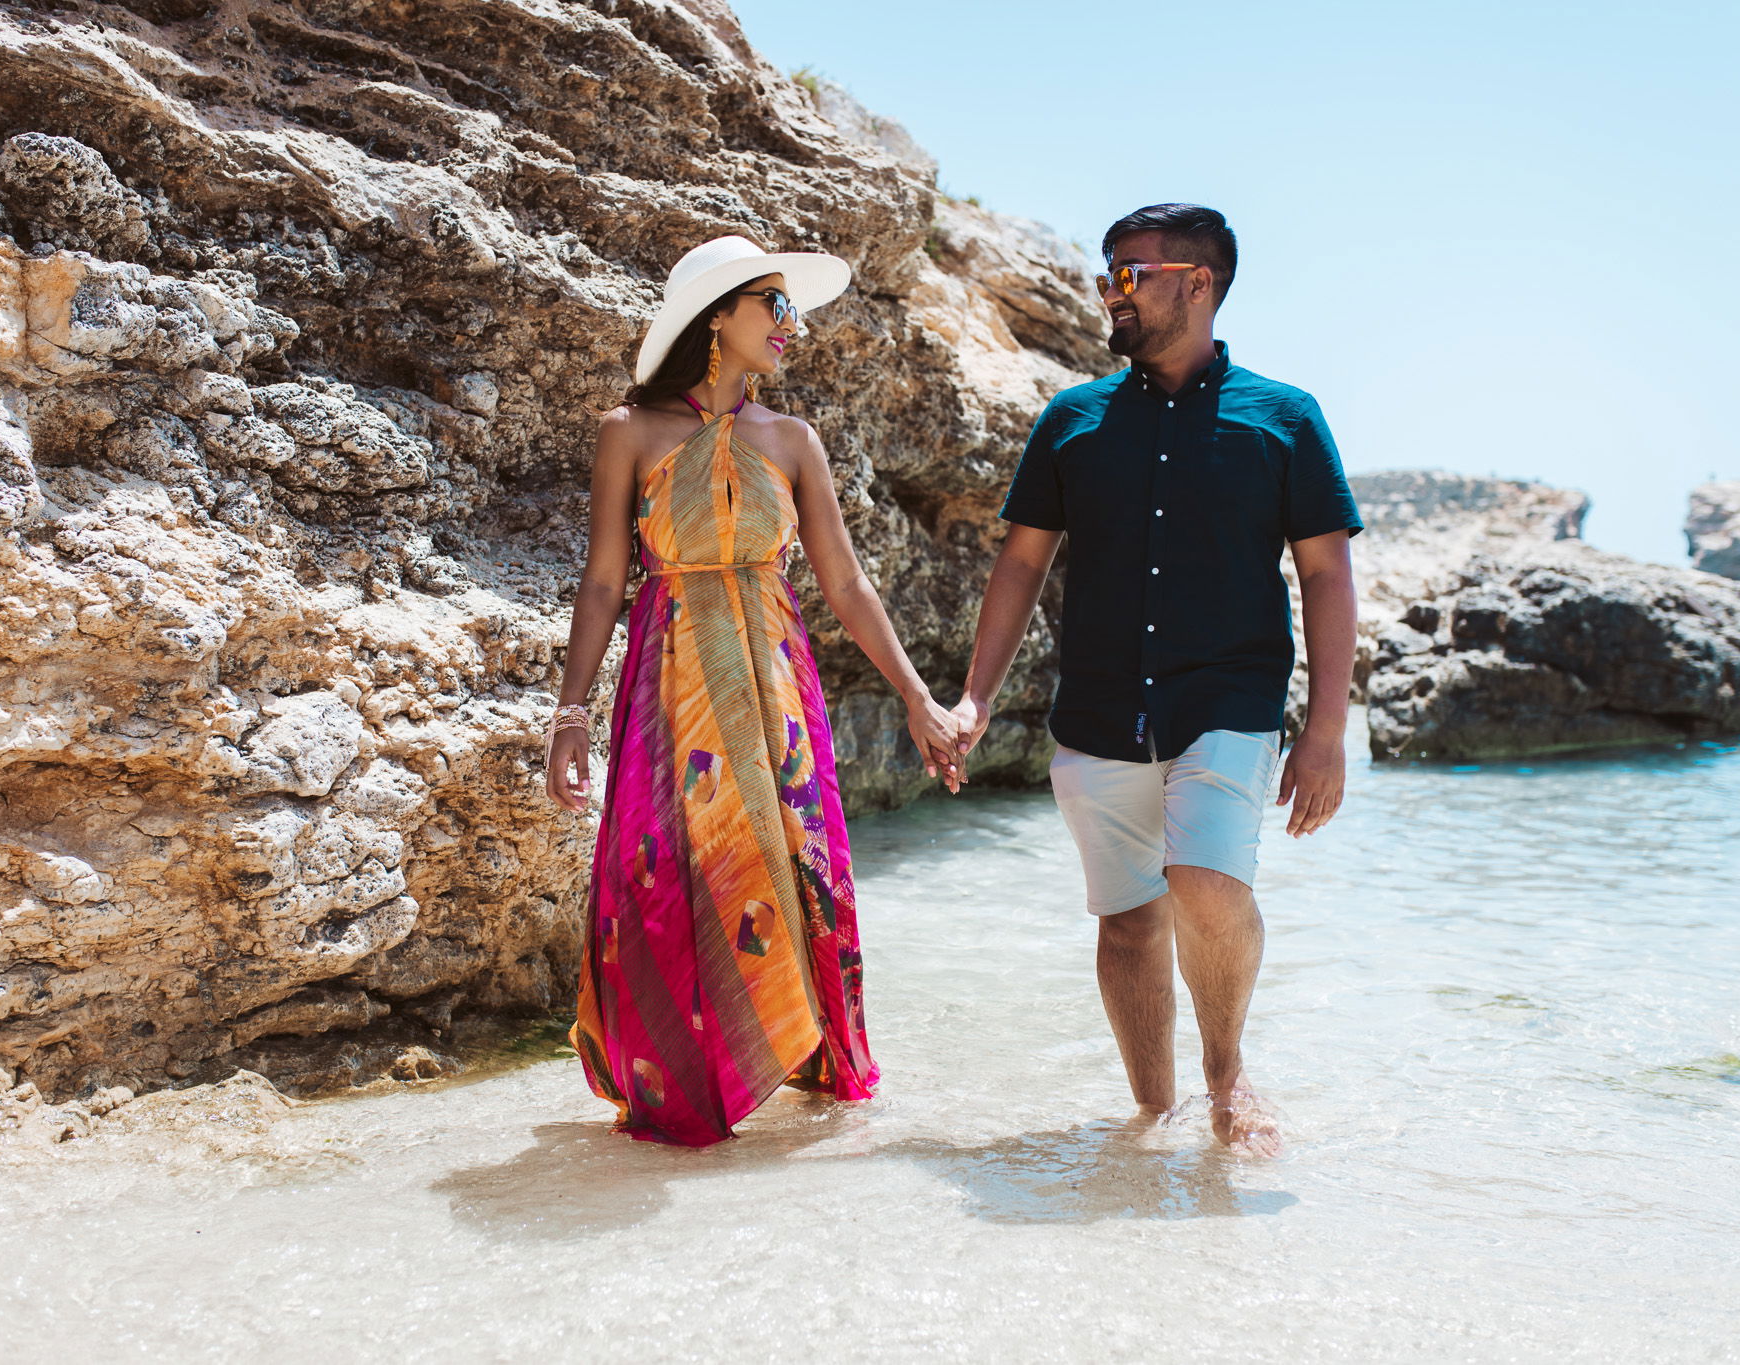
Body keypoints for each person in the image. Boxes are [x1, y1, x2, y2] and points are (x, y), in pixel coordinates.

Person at [950, 204, 1361, 1156]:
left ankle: (1227, 1073)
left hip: (1228, 699)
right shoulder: (1073, 418)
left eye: (1131, 274)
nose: (1111, 293)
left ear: (1198, 283)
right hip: (1097, 709)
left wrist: (1327, 727)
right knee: (1129, 926)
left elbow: (1327, 573)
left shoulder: (1285, 417)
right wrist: (975, 694)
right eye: (1107, 275)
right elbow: (1020, 565)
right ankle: (1149, 1116)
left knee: (1208, 886)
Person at [548, 235, 963, 1146]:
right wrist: (571, 711)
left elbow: (847, 585)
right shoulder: (631, 432)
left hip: (778, 684)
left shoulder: (794, 441)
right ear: (717, 316)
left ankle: (802, 1066)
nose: (790, 325)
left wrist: (915, 696)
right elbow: (603, 582)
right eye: (772, 305)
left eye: (789, 309)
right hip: (672, 680)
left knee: (794, 867)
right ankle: (685, 1083)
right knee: (674, 873)